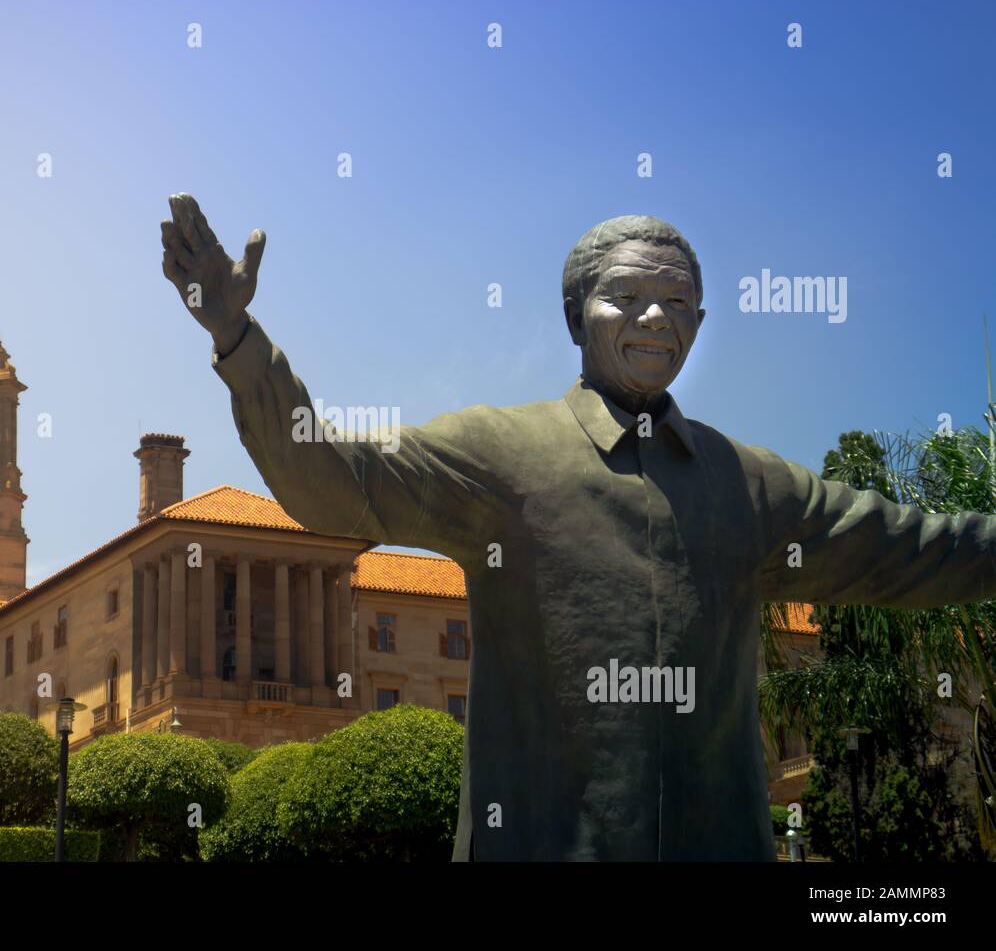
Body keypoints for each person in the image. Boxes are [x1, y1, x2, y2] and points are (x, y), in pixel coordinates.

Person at [161, 195, 996, 861]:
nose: (656, 320)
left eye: (677, 303)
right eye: (626, 298)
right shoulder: (500, 456)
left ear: (700, 325)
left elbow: (916, 548)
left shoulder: (752, 487)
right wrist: (238, 340)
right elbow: (336, 485)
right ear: (576, 317)